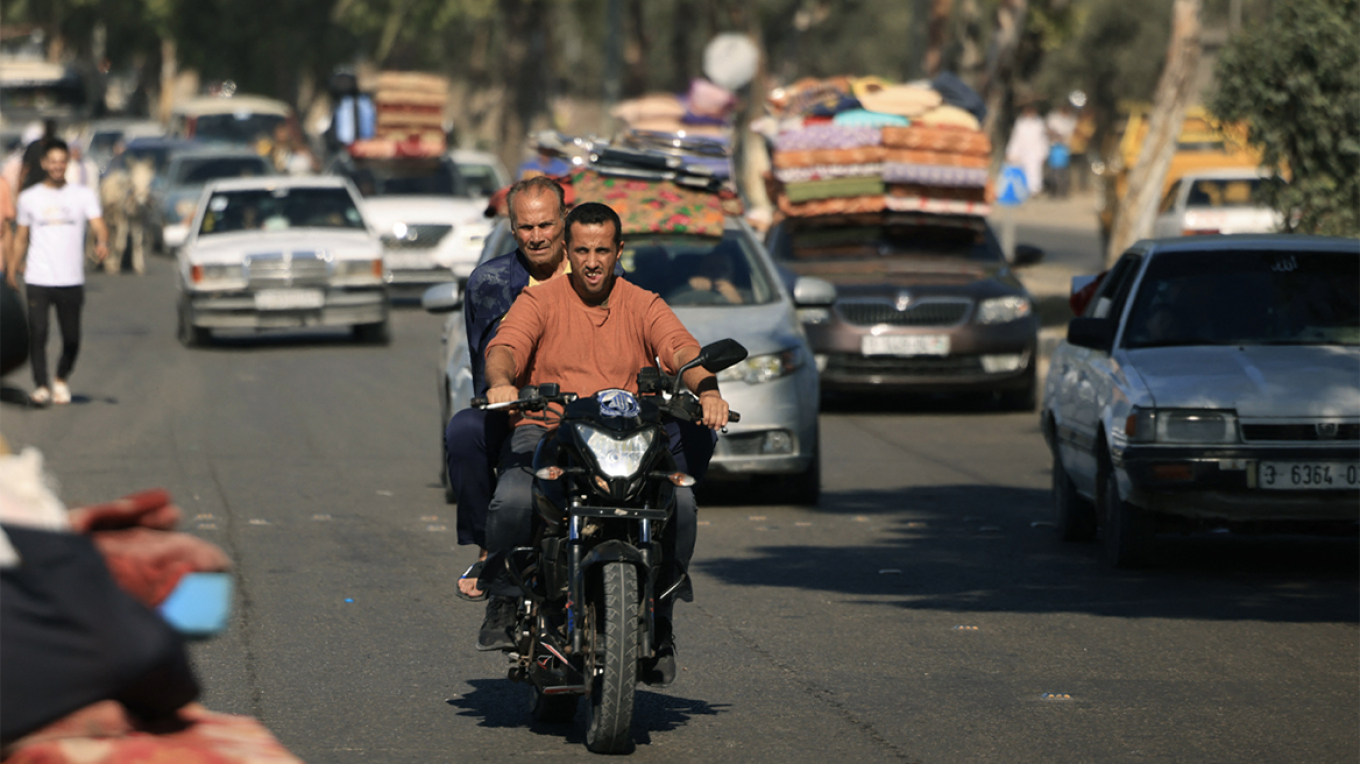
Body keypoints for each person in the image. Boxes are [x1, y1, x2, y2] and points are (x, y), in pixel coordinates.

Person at [477, 202, 730, 685]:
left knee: (680, 499)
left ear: (619, 252)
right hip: (549, 427)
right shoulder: (539, 301)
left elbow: (680, 349)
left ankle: (661, 612)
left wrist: (708, 389)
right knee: (512, 495)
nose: (592, 262)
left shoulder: (643, 302)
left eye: (602, 251)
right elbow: (505, 347)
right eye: (582, 251)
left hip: (627, 436)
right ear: (567, 253)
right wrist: (502, 381)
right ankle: (506, 599)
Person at [7, 139, 110, 406]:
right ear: (44, 164)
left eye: (61, 162)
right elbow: (20, 238)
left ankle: (61, 377)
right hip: (38, 277)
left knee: (72, 337)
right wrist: (11, 272)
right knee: (38, 334)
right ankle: (41, 385)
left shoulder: (82, 195)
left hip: (70, 278)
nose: (57, 166)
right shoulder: (29, 199)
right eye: (52, 161)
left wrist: (102, 242)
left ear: (67, 164)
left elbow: (99, 224)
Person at [1005, 103, 1049, 197]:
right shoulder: (1020, 123)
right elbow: (1015, 138)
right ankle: (1022, 191)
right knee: (1022, 172)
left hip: (1035, 152)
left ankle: (1035, 191)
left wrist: (1044, 152)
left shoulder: (1039, 124)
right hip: (1022, 152)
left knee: (1035, 172)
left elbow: (1043, 140)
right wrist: (1011, 152)